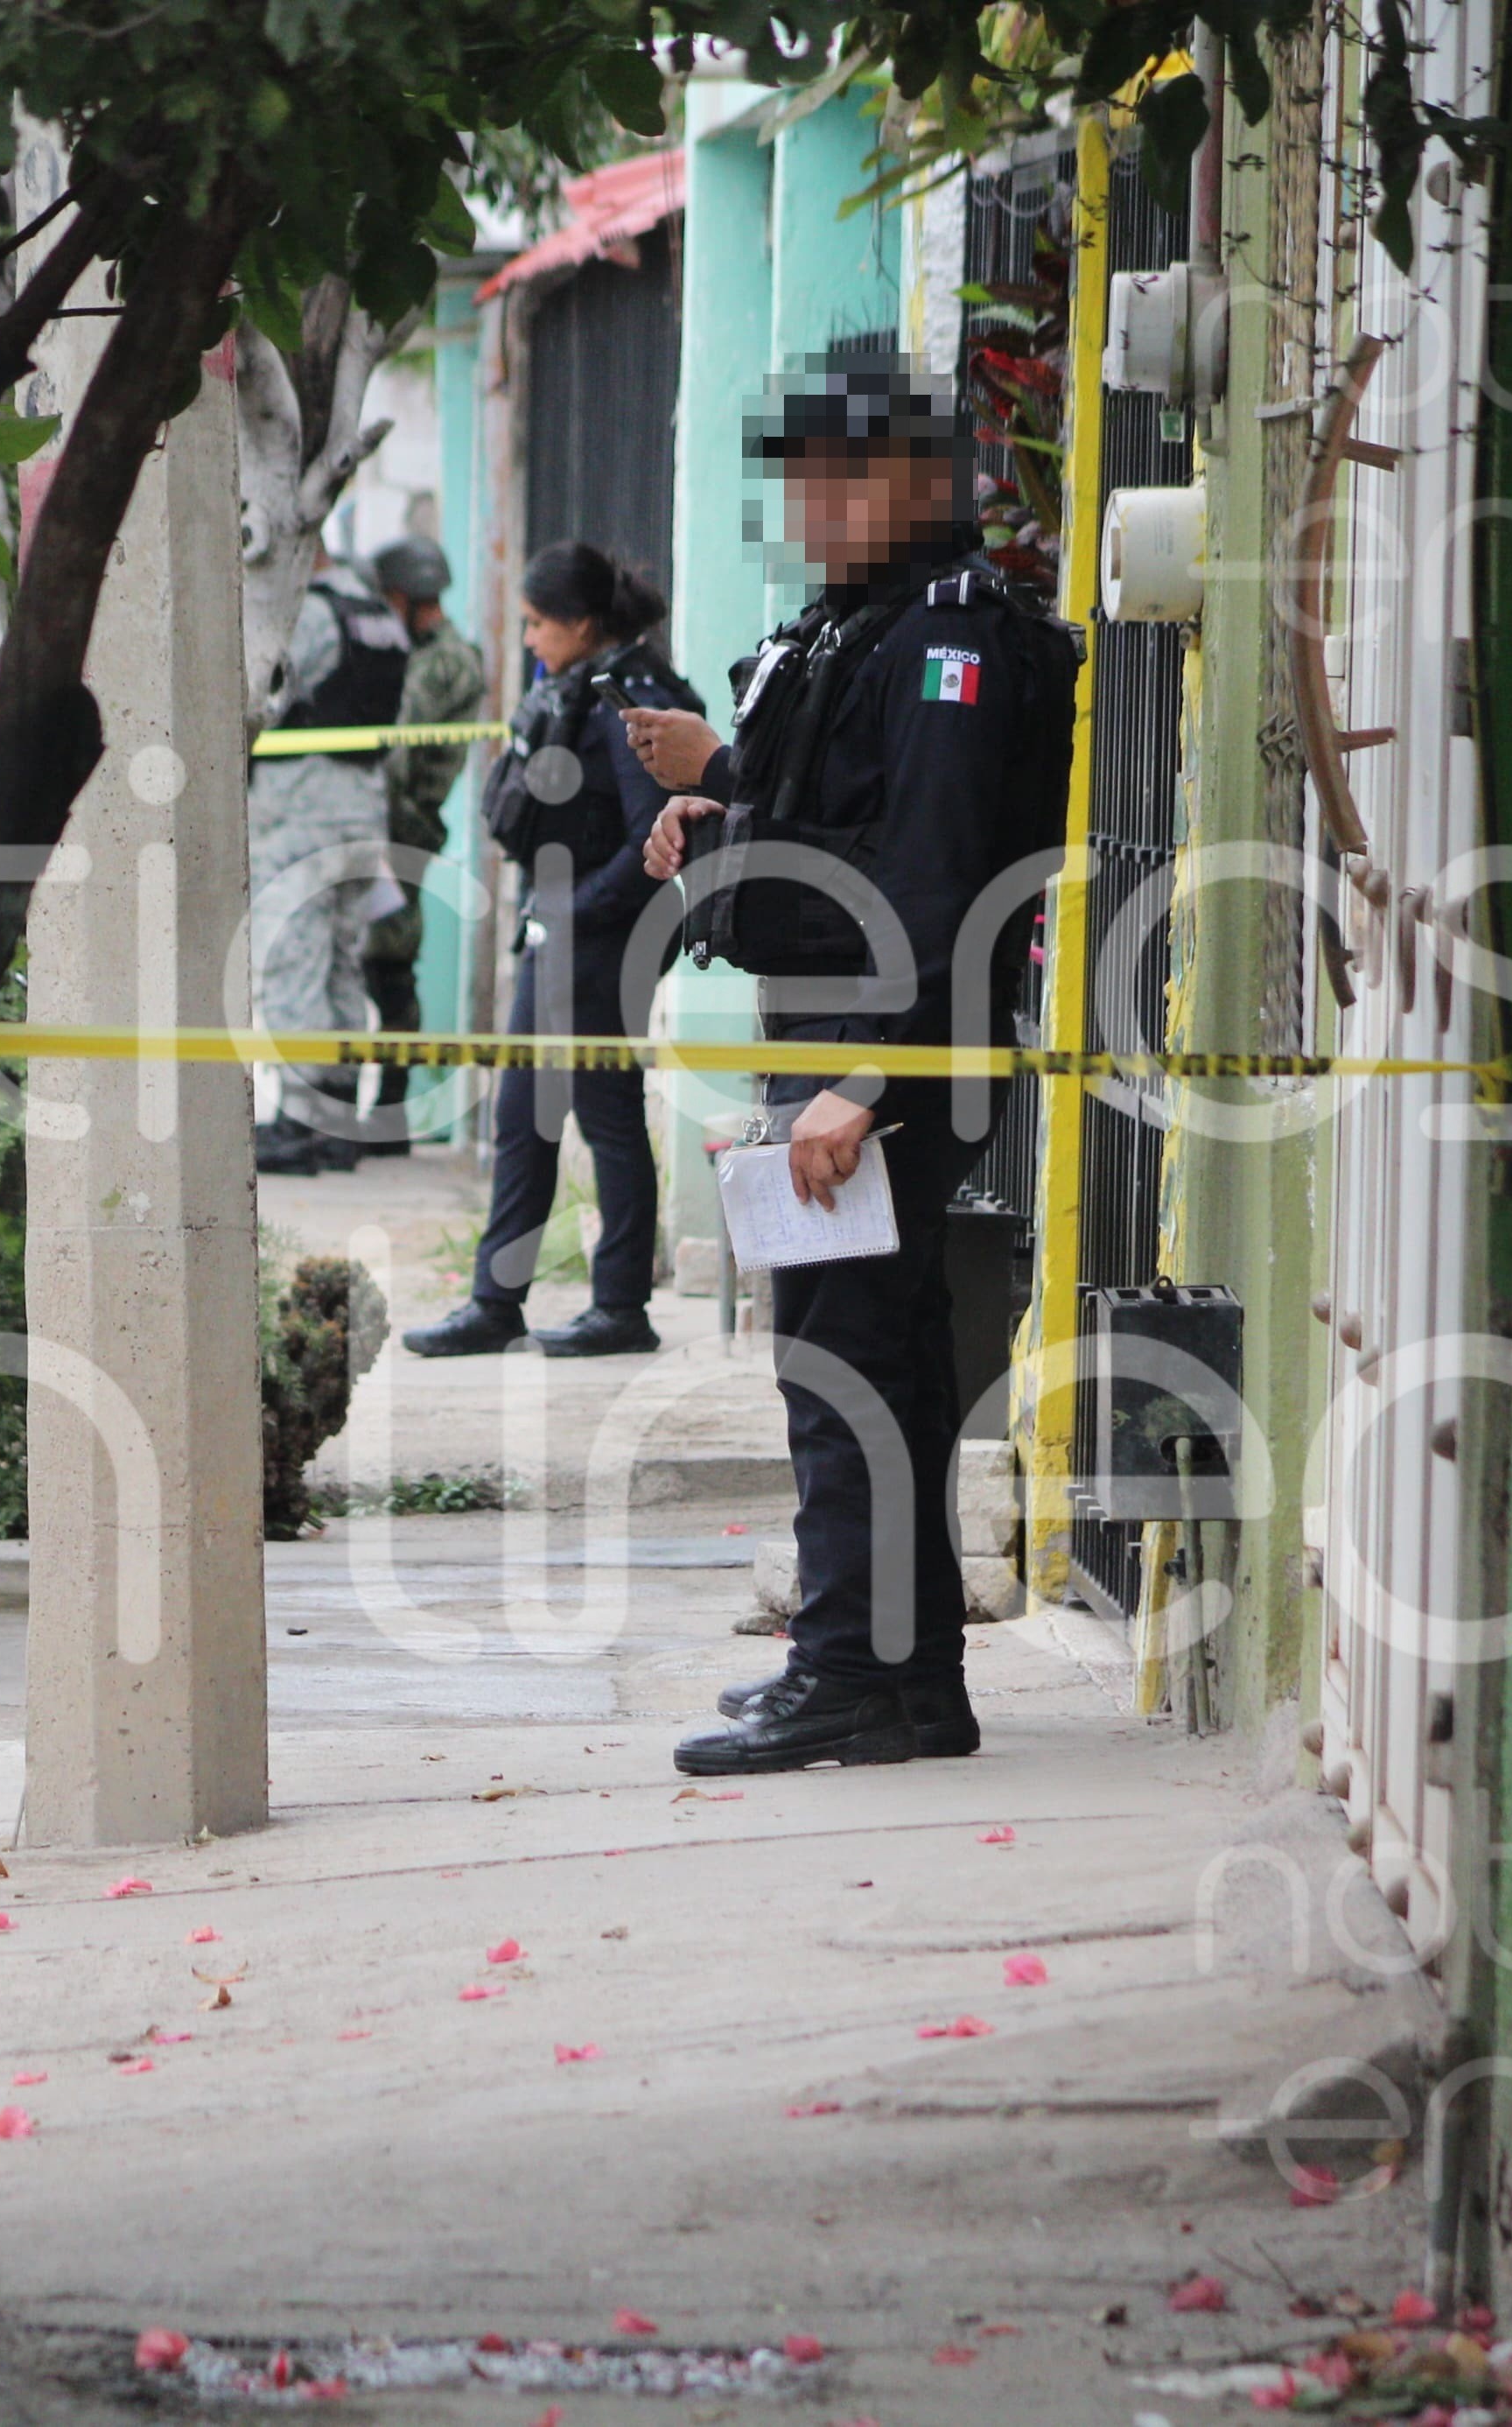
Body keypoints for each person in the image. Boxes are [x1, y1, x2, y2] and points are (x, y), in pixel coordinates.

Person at [630, 362, 1079, 1775]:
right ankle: (893, 1676)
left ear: (911, 481)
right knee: (849, 1359)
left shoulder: (953, 640)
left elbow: (941, 882)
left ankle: (856, 1673)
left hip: (883, 1055)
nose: (809, 510)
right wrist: (717, 825)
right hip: (825, 1040)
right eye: (800, 481)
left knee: (851, 1366)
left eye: (835, 479)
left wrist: (869, 1083)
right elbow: (838, 832)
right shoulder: (864, 628)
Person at [400, 542, 701, 1360]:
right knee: (524, 1116)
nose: (529, 637)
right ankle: (499, 1302)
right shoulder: (581, 686)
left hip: (599, 939)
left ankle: (619, 1306)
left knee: (605, 1117)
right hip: (567, 932)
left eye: (537, 622)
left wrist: (575, 912)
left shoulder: (624, 697)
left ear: (580, 622)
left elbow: (655, 832)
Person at [250, 551, 410, 1176]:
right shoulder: (376, 614)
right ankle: (340, 1119)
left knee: (295, 957)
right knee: (344, 961)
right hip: (361, 812)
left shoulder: (311, 615)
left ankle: (300, 1122)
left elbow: (261, 694)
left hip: (300, 811)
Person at [357, 536, 485, 1155]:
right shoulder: (429, 652)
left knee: (388, 964)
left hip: (401, 825)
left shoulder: (446, 660)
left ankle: (390, 1110)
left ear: (404, 597)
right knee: (374, 959)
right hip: (393, 821)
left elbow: (400, 749)